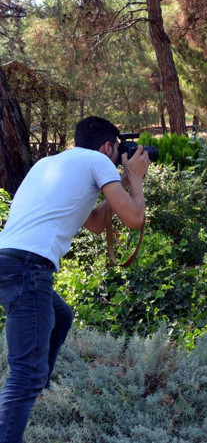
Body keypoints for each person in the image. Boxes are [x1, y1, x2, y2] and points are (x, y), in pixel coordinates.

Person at [0, 116, 150, 442]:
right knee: (24, 374)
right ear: (108, 146)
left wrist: (120, 184)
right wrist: (135, 178)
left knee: (61, 315)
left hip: (7, 260)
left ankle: (37, 390)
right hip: (29, 268)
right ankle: (28, 392)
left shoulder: (50, 163)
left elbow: (96, 222)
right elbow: (135, 219)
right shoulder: (98, 160)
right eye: (118, 150)